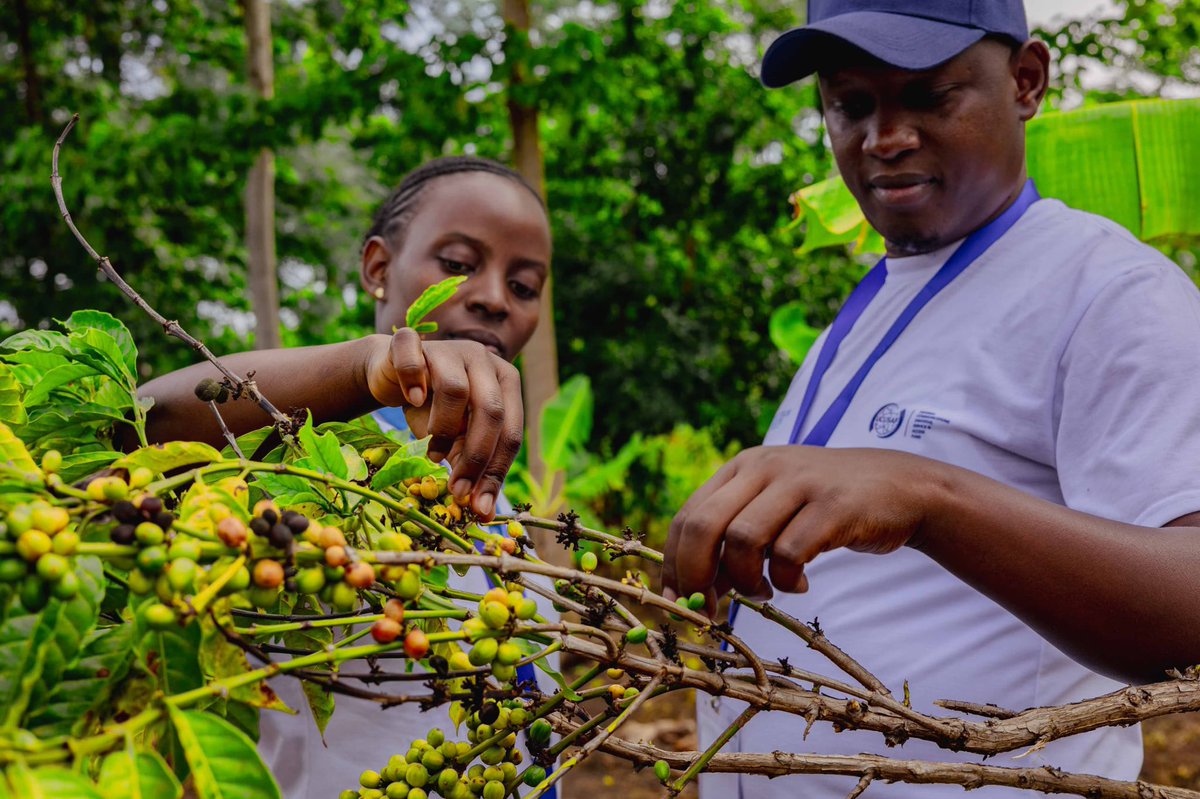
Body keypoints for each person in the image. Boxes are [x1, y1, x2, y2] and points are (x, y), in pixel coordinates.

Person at [661, 2, 1200, 797]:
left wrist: (926, 496)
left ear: (1027, 81)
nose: (884, 137)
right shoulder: (870, 301)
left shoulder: (1106, 291)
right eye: (851, 105)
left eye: (928, 95)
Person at [139, 156, 561, 798]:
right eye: (457, 263)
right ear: (378, 268)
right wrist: (365, 369)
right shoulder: (304, 461)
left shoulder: (504, 510)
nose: (494, 298)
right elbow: (148, 419)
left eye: (525, 286)